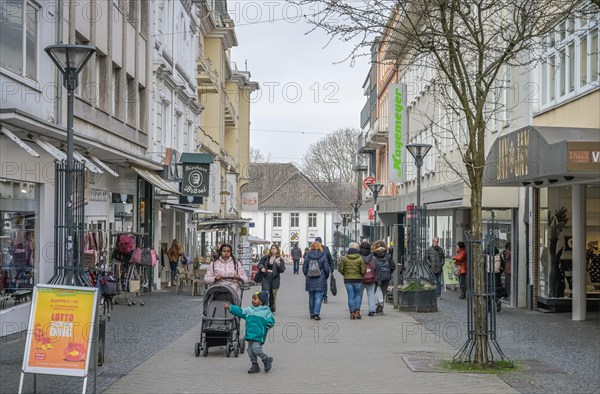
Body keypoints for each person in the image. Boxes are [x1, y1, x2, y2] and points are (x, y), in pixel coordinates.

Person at [225, 291, 274, 374]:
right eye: (252, 299)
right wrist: (231, 308)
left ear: (261, 301)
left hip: (259, 334)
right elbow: (240, 311)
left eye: (255, 299)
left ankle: (266, 359)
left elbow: (271, 319)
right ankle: (255, 365)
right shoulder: (249, 310)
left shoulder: (266, 311)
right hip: (250, 334)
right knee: (250, 351)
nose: (253, 301)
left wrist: (269, 323)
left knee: (256, 348)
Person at [302, 241, 330, 320]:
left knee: (311, 297)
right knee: (318, 297)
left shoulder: (307, 256)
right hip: (320, 278)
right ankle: (316, 313)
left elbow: (304, 268)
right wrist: (325, 277)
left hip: (310, 279)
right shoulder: (323, 256)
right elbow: (326, 268)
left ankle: (311, 313)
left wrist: (307, 275)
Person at [338, 242, 366, 320]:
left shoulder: (344, 258)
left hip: (348, 279)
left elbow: (340, 269)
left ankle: (352, 313)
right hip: (358, 279)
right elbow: (363, 270)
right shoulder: (360, 258)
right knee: (358, 295)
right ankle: (357, 311)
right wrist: (361, 274)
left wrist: (344, 274)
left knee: (350, 296)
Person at [257, 244, 286, 312]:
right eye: (272, 248)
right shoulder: (266, 257)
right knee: (265, 292)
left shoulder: (279, 259)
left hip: (275, 278)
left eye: (275, 248)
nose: (273, 250)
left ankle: (271, 308)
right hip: (266, 277)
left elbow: (282, 270)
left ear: (277, 250)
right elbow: (260, 263)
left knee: (273, 294)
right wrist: (262, 268)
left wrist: (279, 265)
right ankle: (264, 307)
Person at [371, 240, 395, 315]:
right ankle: (381, 308)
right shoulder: (388, 256)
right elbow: (393, 266)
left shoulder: (373, 255)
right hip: (385, 277)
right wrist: (388, 273)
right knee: (383, 292)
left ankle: (376, 306)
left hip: (375, 277)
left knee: (374, 292)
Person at [315, 236, 333, 304]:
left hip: (324, 269)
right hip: (315, 269)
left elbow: (330, 259)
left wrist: (332, 268)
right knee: (317, 284)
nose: (318, 243)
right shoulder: (313, 249)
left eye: (319, 242)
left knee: (324, 284)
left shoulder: (326, 248)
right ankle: (318, 296)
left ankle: (325, 297)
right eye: (317, 242)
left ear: (321, 242)